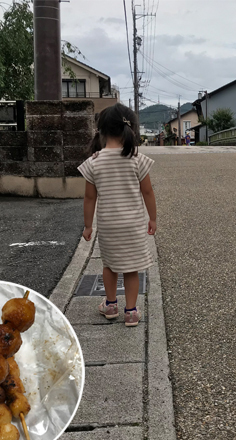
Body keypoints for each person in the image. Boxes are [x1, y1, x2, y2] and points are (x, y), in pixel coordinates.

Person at [78, 104, 157, 327]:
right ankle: (131, 311)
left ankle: (110, 305)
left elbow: (89, 198)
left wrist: (87, 226)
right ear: (129, 129)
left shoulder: (94, 162)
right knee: (132, 268)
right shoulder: (137, 159)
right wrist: (152, 218)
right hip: (133, 225)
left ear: (101, 131)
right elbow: (148, 192)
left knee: (110, 266)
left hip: (108, 226)